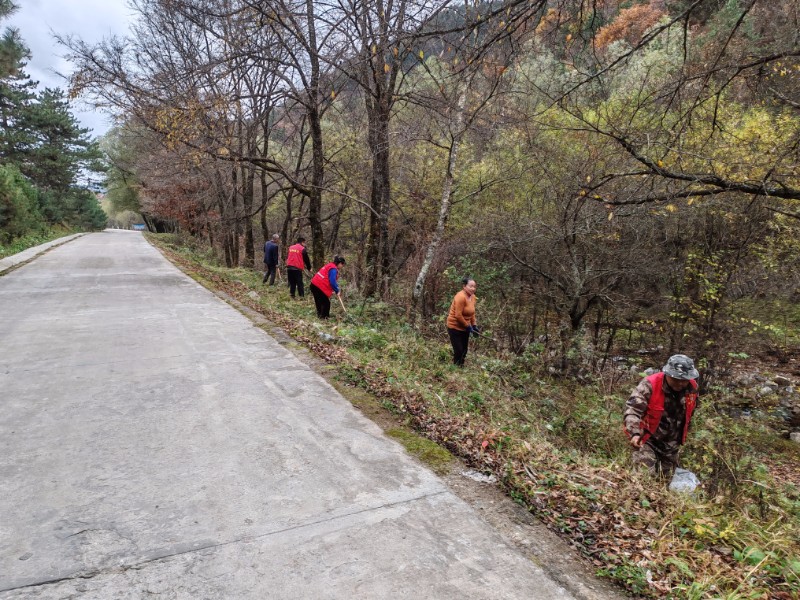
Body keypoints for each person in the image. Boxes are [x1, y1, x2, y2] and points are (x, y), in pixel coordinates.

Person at [623, 354, 699, 479]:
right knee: (643, 477)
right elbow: (632, 410)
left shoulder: (692, 388)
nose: (681, 383)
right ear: (667, 374)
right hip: (647, 439)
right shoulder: (650, 385)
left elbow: (690, 413)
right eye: (676, 379)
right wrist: (635, 433)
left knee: (664, 482)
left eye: (684, 379)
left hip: (671, 445)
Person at [446, 278, 479, 366]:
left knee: (464, 350)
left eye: (474, 287)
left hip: (465, 328)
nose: (473, 288)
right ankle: (455, 368)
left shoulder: (472, 297)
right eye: (470, 286)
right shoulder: (460, 297)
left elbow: (472, 313)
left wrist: (474, 325)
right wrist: (467, 326)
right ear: (464, 286)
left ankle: (461, 367)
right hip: (454, 326)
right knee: (459, 350)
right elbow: (458, 315)